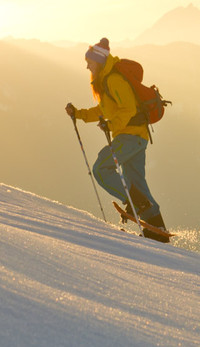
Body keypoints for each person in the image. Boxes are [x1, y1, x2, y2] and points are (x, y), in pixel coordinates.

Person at [65, 38, 168, 242]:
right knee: (138, 182)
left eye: (90, 62)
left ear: (99, 62)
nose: (87, 66)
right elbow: (103, 110)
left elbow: (128, 109)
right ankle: (158, 230)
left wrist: (111, 126)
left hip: (129, 136)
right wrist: (79, 114)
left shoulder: (113, 80)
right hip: (137, 137)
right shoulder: (106, 81)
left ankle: (136, 203)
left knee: (101, 168)